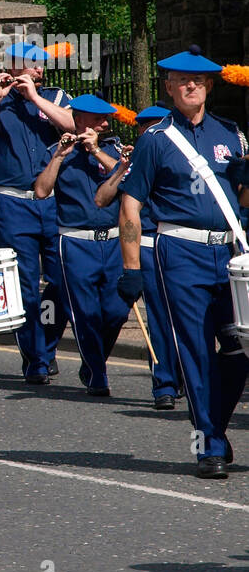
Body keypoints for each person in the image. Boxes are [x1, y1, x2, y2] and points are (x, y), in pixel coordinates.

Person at [116, 51, 249, 479]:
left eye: (198, 80)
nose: (190, 86)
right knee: (194, 351)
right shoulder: (156, 139)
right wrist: (132, 267)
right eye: (181, 80)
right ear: (169, 87)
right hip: (180, 255)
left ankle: (214, 425)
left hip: (228, 254)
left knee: (239, 349)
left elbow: (241, 203)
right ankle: (207, 445)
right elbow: (130, 206)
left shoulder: (231, 134)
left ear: (210, 86)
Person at [0, 42, 74, 383]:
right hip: (12, 203)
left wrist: (35, 98)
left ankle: (48, 346)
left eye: (41, 66)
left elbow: (73, 124)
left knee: (61, 281)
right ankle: (36, 358)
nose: (39, 71)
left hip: (53, 201)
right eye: (32, 65)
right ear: (13, 66)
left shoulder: (53, 97)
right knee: (24, 285)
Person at [33, 95, 127, 395]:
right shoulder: (56, 150)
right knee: (85, 314)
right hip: (75, 243)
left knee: (116, 311)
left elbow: (125, 177)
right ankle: (98, 375)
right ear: (81, 119)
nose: (105, 124)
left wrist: (96, 150)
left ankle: (92, 363)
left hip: (112, 242)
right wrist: (60, 155)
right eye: (99, 120)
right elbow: (41, 190)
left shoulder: (111, 149)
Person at [95, 105, 181, 410]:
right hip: (144, 242)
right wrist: (120, 168)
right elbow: (102, 199)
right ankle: (164, 383)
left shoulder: (178, 158)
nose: (150, 134)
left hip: (178, 243)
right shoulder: (135, 162)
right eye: (145, 128)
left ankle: (181, 375)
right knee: (157, 316)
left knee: (182, 315)